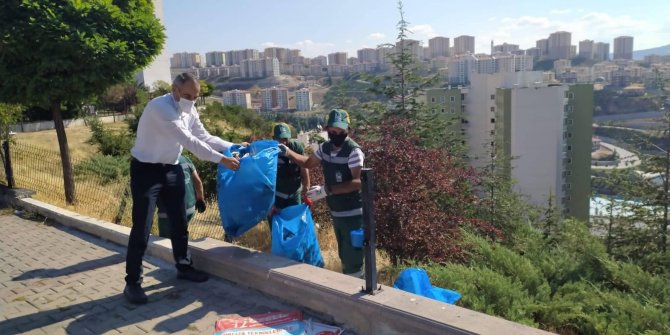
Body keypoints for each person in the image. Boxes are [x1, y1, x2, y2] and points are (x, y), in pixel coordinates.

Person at [125, 72, 242, 304]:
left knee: (180, 222)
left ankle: (183, 266)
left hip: (172, 169)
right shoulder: (160, 108)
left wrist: (235, 146)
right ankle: (133, 283)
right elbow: (190, 142)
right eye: (188, 95)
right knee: (143, 226)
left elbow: (204, 136)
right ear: (175, 90)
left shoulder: (190, 109)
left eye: (196, 96)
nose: (192, 100)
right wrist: (223, 160)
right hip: (146, 171)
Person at [280, 109, 365, 278]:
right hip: (337, 211)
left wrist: (327, 190)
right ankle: (351, 283)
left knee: (353, 255)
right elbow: (308, 163)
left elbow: (358, 183)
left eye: (341, 130)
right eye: (333, 130)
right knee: (344, 253)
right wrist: (288, 152)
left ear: (348, 130)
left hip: (352, 213)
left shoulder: (353, 151)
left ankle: (358, 289)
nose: (337, 133)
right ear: (327, 129)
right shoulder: (324, 148)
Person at [269, 123, 310, 228]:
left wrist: (306, 189)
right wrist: (269, 203)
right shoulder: (268, 151)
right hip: (276, 197)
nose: (283, 142)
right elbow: (265, 178)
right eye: (280, 139)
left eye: (286, 139)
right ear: (273, 138)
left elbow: (304, 167)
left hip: (294, 195)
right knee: (277, 229)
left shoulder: (296, 147)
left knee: (295, 227)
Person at [156, 155, 206, 238]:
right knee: (182, 232)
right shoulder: (186, 160)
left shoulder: (157, 162)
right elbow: (198, 182)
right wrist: (200, 199)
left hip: (167, 212)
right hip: (189, 208)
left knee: (165, 240)